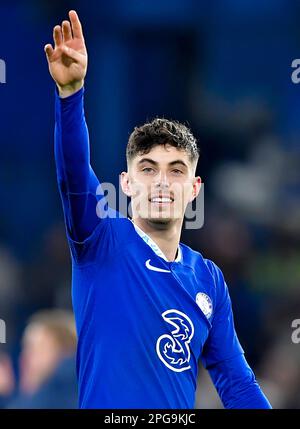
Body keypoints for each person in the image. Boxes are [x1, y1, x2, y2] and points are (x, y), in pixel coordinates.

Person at [44, 10, 271, 409]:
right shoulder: (102, 240)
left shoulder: (208, 279)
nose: (162, 182)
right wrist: (71, 95)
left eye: (176, 170)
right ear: (127, 184)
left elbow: (237, 384)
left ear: (194, 188)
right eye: (148, 170)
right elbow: (74, 174)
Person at [7, 309, 77, 409]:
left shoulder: (67, 395)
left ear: (65, 353)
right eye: (24, 348)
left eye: (35, 349)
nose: (24, 357)